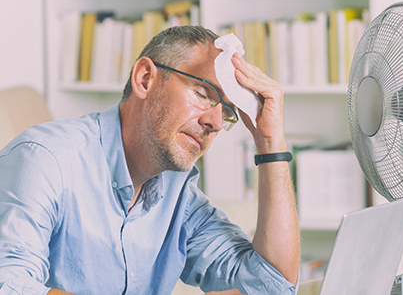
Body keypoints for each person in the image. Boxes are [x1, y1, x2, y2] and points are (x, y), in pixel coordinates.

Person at [0, 25, 300, 294]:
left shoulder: (179, 195)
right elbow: (10, 285)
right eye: (203, 93)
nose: (216, 122)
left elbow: (271, 285)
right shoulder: (44, 158)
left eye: (227, 112)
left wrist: (270, 142)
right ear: (145, 78)